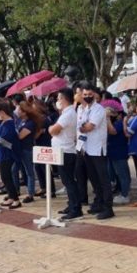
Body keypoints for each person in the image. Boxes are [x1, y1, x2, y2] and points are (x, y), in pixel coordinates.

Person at [75, 84, 114, 220]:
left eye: (89, 94)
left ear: (95, 95)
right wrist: (82, 128)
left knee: (103, 179)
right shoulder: (81, 108)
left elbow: (89, 127)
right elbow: (80, 126)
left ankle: (108, 208)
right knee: (93, 178)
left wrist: (82, 127)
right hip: (86, 148)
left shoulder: (99, 109)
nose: (87, 97)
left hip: (97, 148)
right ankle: (99, 203)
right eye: (84, 94)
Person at [50, 88, 81, 221]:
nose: (57, 101)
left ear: (64, 99)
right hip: (62, 150)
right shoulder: (66, 113)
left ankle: (76, 209)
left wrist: (50, 128)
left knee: (69, 181)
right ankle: (71, 205)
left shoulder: (68, 114)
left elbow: (54, 130)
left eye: (58, 98)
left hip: (65, 151)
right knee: (66, 181)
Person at [0, 101, 22, 209]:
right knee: (4, 177)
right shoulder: (1, 123)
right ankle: (11, 197)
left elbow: (1, 139)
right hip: (1, 153)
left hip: (8, 154)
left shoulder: (10, 123)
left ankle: (16, 199)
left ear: (2, 112)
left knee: (7, 176)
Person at [13, 101, 43, 203]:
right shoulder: (21, 121)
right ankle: (20, 191)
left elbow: (20, 136)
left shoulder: (30, 123)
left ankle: (30, 194)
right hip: (20, 149)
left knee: (29, 172)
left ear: (24, 112)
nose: (17, 112)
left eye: (19, 110)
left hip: (27, 149)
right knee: (18, 170)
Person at [106, 103, 130, 205]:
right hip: (114, 153)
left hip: (119, 152)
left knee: (123, 174)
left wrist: (107, 118)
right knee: (120, 174)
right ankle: (123, 193)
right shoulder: (116, 122)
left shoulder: (120, 123)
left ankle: (125, 195)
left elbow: (113, 132)